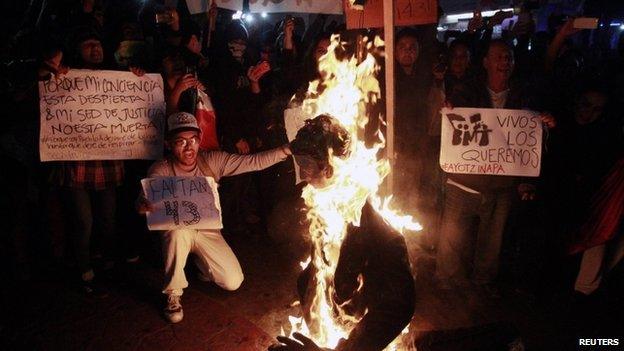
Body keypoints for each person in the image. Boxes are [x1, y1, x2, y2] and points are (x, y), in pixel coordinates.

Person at [270, 115, 415, 351]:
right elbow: (319, 270)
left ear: (329, 167)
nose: (301, 171)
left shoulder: (377, 233)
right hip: (335, 319)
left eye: (306, 163)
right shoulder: (323, 204)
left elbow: (399, 306)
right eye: (299, 161)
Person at [137, 112, 291, 323]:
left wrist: (286, 150)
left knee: (233, 281)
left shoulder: (211, 161)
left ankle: (201, 264)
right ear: (169, 144)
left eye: (193, 140)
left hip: (207, 230)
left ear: (200, 141)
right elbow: (146, 197)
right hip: (177, 231)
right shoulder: (161, 169)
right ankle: (173, 293)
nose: (188, 147)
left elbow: (252, 161)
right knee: (177, 233)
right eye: (180, 142)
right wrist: (142, 204)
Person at [435, 39, 556, 294]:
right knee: (451, 240)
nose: (504, 61)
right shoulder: (466, 90)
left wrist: (543, 122)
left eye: (509, 57)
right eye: (499, 56)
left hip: (501, 185)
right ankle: (447, 287)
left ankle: (481, 287)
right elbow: (453, 121)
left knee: (492, 242)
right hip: (463, 181)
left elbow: (530, 140)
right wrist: (448, 111)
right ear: (486, 62)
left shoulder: (524, 94)